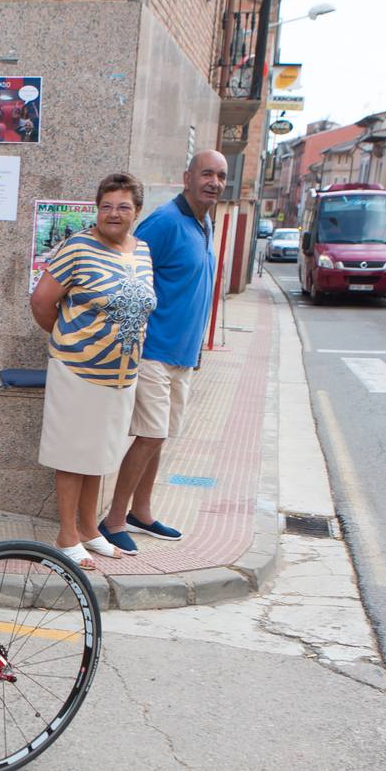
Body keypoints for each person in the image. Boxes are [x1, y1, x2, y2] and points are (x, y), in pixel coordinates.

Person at [98, 150, 226, 554]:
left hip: (182, 355)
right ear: (186, 177)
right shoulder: (166, 222)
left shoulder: (203, 221)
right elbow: (125, 262)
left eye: (221, 176)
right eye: (207, 174)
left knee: (161, 435)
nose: (214, 182)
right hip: (152, 349)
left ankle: (142, 512)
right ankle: (114, 519)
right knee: (150, 434)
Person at [30, 173, 156, 570]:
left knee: (100, 455)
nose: (113, 214)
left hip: (122, 375)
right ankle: (67, 535)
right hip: (78, 371)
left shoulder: (143, 250)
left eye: (123, 206)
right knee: (73, 454)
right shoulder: (77, 247)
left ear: (137, 211)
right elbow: (42, 301)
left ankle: (88, 528)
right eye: (106, 206)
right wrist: (73, 339)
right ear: (96, 209)